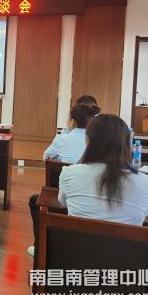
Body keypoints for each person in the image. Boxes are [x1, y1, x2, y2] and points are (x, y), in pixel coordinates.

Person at [27, 103, 99, 256]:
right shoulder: (99, 142)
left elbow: (46, 157)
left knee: (35, 200)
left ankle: (39, 246)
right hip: (93, 196)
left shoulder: (61, 139)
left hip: (62, 195)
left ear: (72, 121)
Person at [58, 114, 148, 225]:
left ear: (88, 140)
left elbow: (64, 203)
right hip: (125, 237)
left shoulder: (69, 173)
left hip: (77, 236)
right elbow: (144, 213)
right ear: (126, 145)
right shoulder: (147, 184)